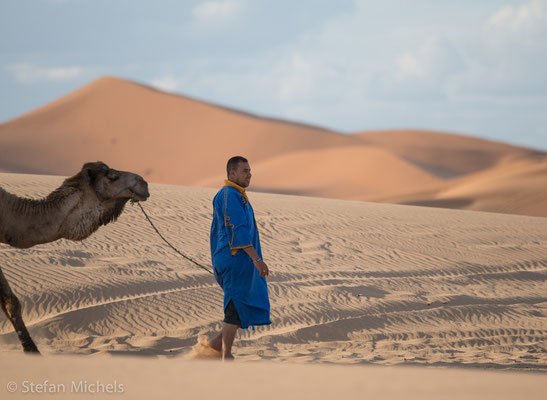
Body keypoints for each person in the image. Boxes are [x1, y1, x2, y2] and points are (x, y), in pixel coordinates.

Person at [200, 156, 271, 360]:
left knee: (243, 304)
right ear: (232, 173)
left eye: (250, 171)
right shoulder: (228, 195)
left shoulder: (237, 195)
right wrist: (257, 260)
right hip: (234, 260)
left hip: (242, 261)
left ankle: (214, 345)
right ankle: (226, 355)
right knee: (235, 305)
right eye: (245, 171)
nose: (249, 175)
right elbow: (237, 231)